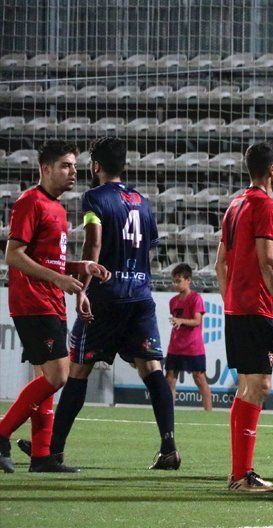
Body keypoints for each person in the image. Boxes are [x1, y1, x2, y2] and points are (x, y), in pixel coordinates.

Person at [58, 137, 179, 471]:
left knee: (79, 369)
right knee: (152, 370)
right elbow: (148, 246)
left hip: (106, 297)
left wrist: (84, 285)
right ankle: (169, 448)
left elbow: (94, 243)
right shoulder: (142, 201)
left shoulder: (94, 198)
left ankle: (54, 451)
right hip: (140, 295)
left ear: (96, 166)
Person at [0, 141, 110, 474]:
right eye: (65, 165)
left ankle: (42, 455)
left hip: (50, 300)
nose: (73, 171)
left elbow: (51, 260)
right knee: (58, 375)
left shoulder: (59, 209)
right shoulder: (29, 203)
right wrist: (59, 280)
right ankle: (2, 432)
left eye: (75, 166)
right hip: (32, 302)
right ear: (45, 169)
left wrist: (80, 268)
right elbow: (13, 255)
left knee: (45, 377)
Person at [215, 142, 273, 492]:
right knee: (260, 386)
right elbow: (269, 261)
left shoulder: (235, 205)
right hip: (255, 307)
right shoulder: (264, 204)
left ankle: (239, 472)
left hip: (237, 308)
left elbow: (219, 263)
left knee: (247, 387)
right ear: (271, 170)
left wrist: (230, 299)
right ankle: (242, 475)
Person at [165, 263, 212, 411]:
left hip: (193, 347)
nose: (176, 284)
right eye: (174, 281)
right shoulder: (173, 301)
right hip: (175, 346)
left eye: (178, 281)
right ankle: (169, 412)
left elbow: (197, 321)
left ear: (188, 280)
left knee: (199, 378)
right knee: (170, 379)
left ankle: (209, 413)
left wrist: (181, 321)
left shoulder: (195, 299)